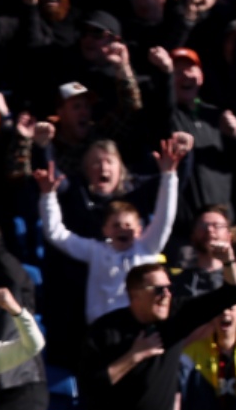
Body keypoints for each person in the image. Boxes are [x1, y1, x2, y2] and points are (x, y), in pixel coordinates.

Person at [79, 247, 236, 410]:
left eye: (169, 288)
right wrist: (135, 355)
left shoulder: (175, 318)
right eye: (158, 289)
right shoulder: (104, 331)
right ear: (134, 294)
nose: (166, 294)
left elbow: (232, 294)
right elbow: (92, 386)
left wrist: (228, 261)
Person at [37, 135, 183, 324]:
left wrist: (169, 175)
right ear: (105, 230)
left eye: (128, 225)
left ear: (140, 229)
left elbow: (165, 216)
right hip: (103, 328)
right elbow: (56, 233)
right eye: (115, 225)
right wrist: (48, 195)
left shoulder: (147, 247)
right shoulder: (95, 251)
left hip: (141, 323)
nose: (123, 230)